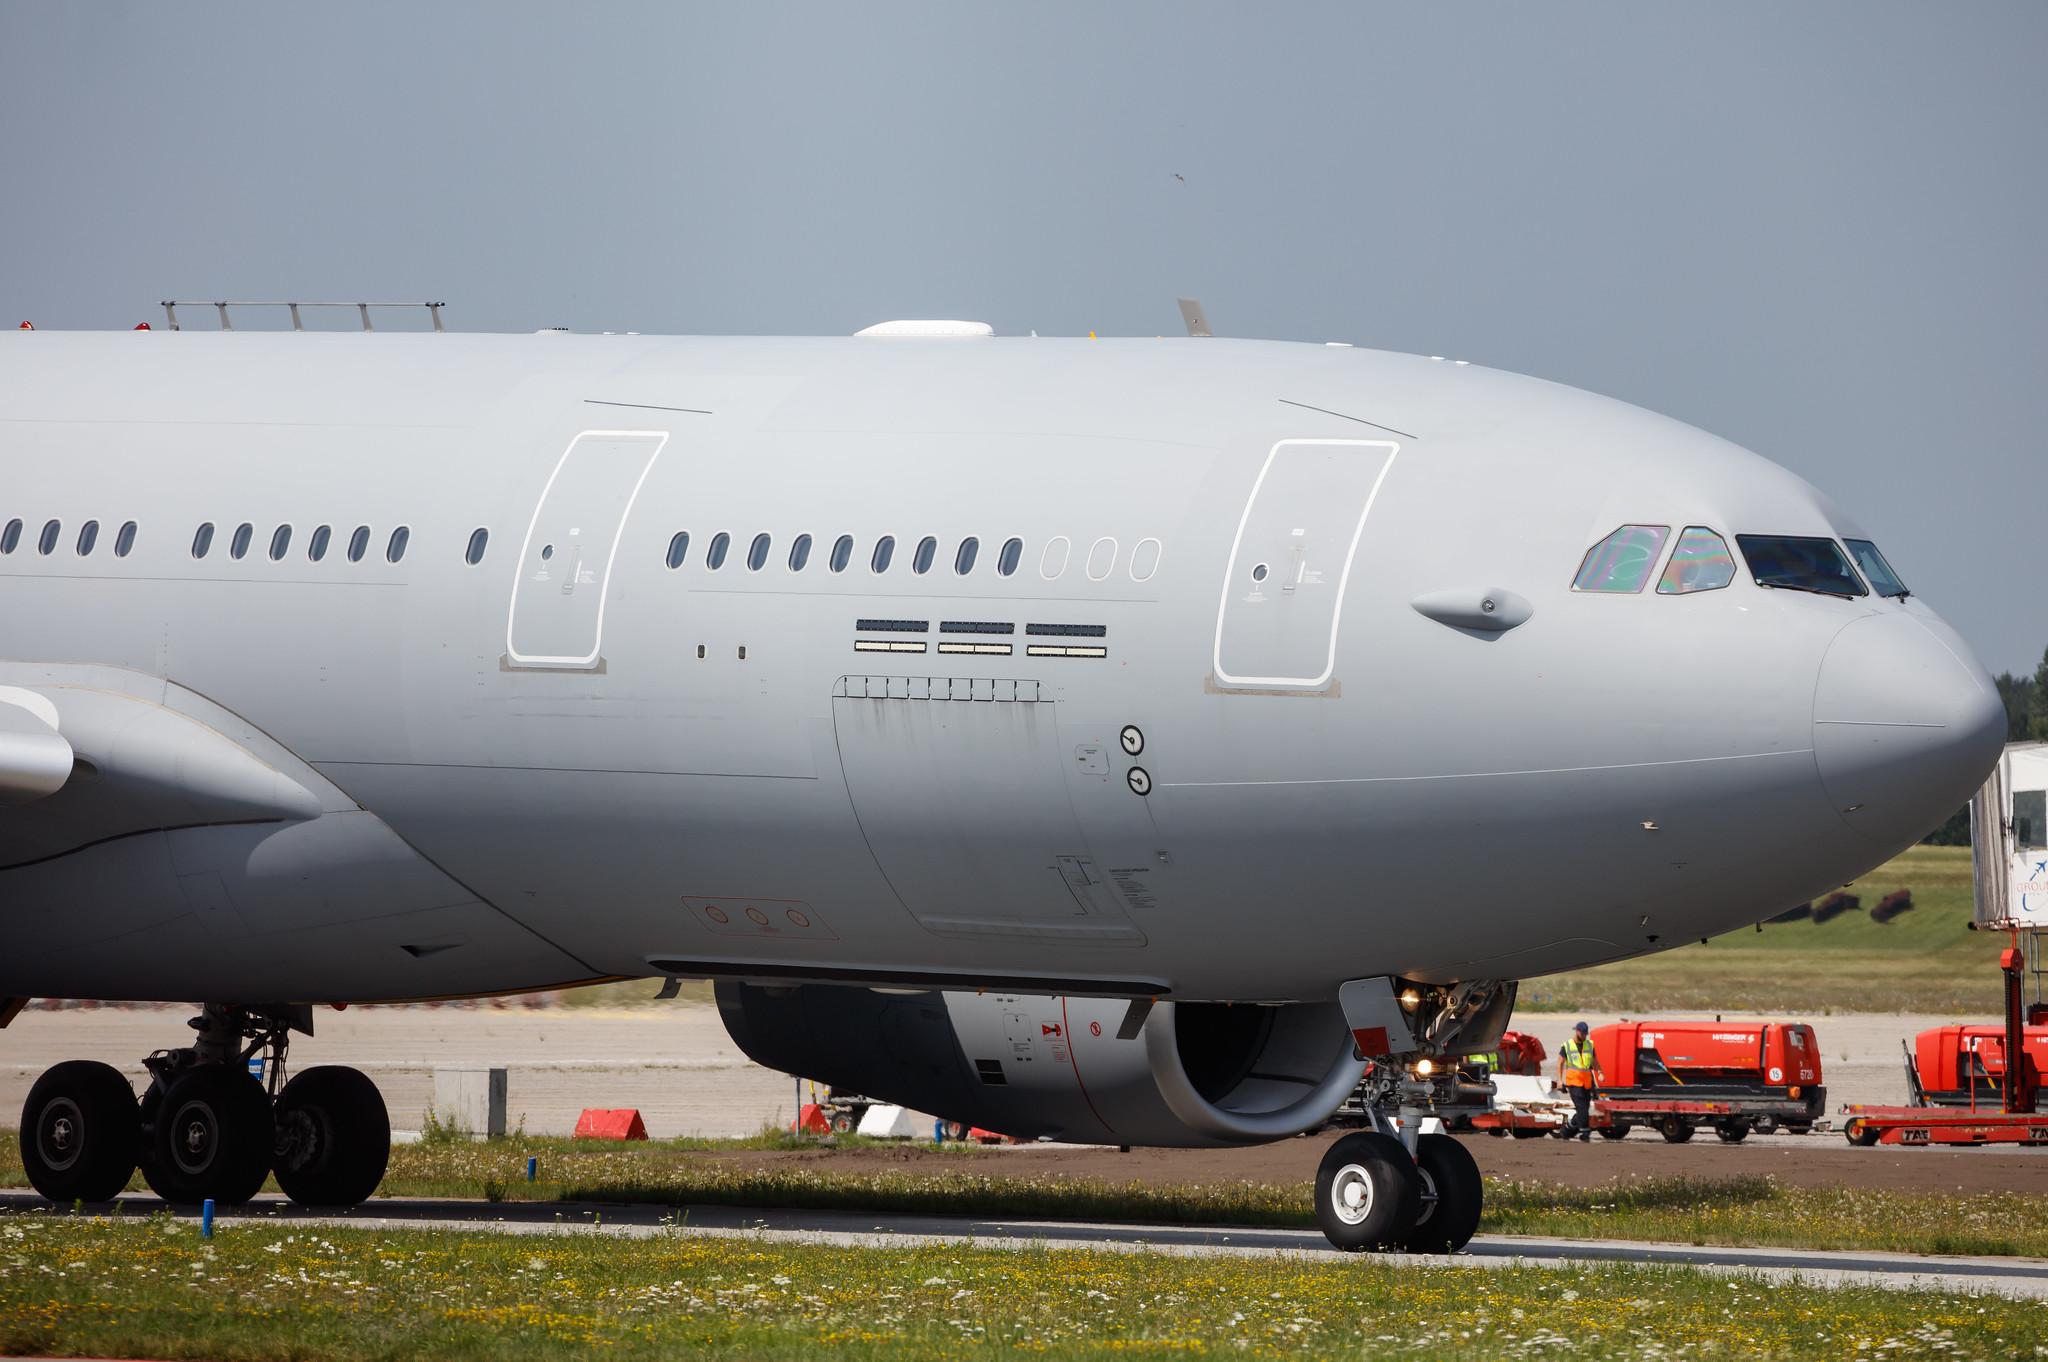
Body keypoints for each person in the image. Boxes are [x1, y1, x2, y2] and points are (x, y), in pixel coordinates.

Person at [1557, 1022, 1601, 1141]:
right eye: (1582, 1033)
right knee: (1581, 1108)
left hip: (1587, 1082)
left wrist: (1600, 1072)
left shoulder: (1589, 1045)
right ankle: (1584, 1133)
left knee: (1583, 1109)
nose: (1585, 1036)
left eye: (1586, 1034)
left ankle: (1566, 1131)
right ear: (1577, 1031)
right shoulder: (1567, 1045)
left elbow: (1594, 1062)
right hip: (1574, 1082)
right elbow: (1560, 1063)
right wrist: (1560, 1081)